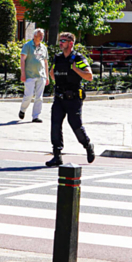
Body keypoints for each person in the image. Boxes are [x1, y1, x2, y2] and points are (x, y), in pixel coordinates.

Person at [47, 32, 95, 167]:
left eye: (63, 40)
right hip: (59, 98)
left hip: (73, 99)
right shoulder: (58, 58)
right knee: (55, 125)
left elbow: (89, 76)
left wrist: (76, 70)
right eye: (59, 40)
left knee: (75, 125)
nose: (60, 43)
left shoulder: (77, 59)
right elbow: (52, 72)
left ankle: (87, 145)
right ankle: (57, 156)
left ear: (71, 43)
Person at [18, 29, 49, 122]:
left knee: (39, 97)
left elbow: (46, 62)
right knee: (28, 95)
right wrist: (23, 74)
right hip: (29, 75)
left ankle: (35, 116)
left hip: (41, 75)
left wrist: (47, 76)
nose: (42, 37)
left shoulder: (44, 47)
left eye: (42, 35)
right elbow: (22, 59)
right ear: (35, 36)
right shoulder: (27, 46)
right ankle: (22, 109)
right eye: (40, 35)